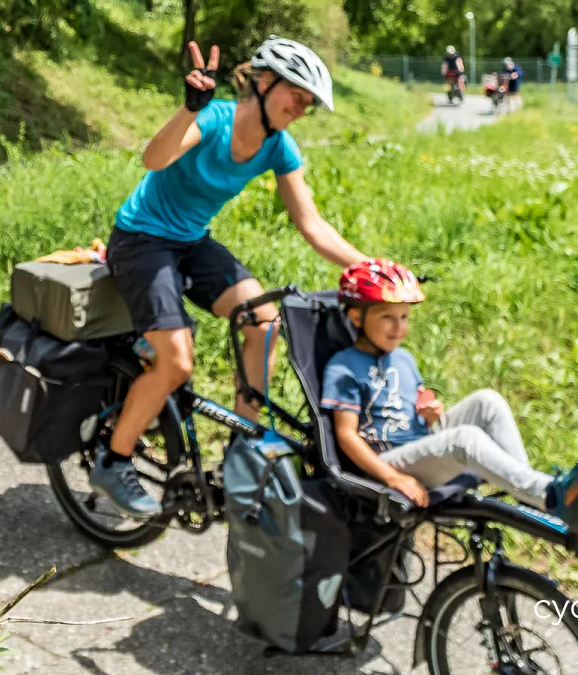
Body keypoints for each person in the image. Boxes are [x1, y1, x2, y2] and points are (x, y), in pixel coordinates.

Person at [90, 37, 370, 517]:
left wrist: (370, 269)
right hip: (141, 239)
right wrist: (188, 108)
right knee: (177, 363)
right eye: (295, 95)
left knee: (264, 320)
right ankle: (113, 461)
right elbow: (153, 159)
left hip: (191, 242)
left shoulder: (279, 147)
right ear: (263, 83)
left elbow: (311, 224)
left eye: (307, 102)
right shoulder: (216, 119)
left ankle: (243, 447)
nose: (301, 108)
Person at [323, 259, 578, 536]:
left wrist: (431, 415)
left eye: (404, 317)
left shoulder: (403, 359)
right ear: (356, 316)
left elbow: (413, 415)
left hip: (417, 447)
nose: (399, 328)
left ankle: (530, 495)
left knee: (487, 401)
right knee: (465, 439)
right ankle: (551, 496)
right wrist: (393, 478)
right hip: (384, 462)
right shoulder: (343, 366)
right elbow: (346, 436)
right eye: (387, 317)